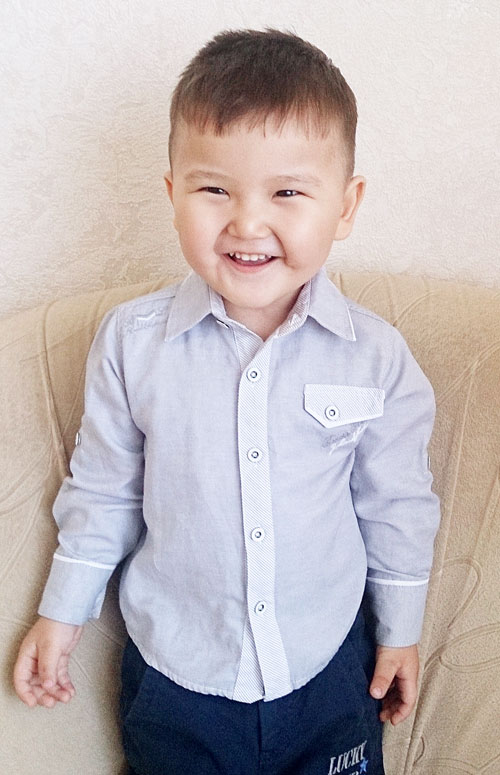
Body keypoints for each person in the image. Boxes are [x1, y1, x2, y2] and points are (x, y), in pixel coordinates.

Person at [13, 28, 440, 775]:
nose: (246, 222)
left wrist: (400, 630)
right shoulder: (131, 343)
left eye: (287, 192)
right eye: (214, 189)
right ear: (173, 194)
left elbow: (396, 504)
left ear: (345, 205)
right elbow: (104, 489)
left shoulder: (375, 354)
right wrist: (62, 610)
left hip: (327, 667)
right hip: (178, 673)